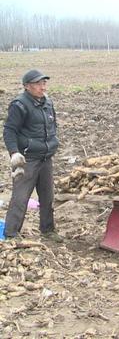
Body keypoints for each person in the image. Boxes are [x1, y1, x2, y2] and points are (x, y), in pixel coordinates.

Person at [2, 69, 62, 242]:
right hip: (27, 159)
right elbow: (9, 131)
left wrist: (53, 143)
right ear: (27, 86)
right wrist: (14, 152)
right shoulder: (19, 105)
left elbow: (52, 126)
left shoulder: (47, 102)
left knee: (47, 197)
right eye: (38, 84)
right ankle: (12, 234)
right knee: (20, 198)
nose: (42, 87)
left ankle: (48, 231)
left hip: (45, 158)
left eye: (44, 83)